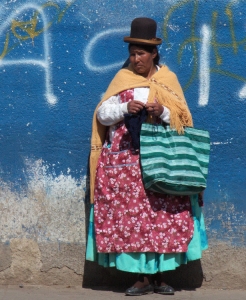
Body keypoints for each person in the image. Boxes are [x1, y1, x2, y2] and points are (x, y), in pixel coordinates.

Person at [86, 17, 208, 296]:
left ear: (154, 53)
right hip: (126, 166)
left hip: (161, 163)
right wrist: (125, 108)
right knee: (135, 221)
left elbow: (184, 119)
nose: (135, 58)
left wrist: (161, 112)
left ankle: (161, 277)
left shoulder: (168, 80)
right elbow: (102, 114)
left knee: (162, 216)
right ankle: (141, 277)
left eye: (141, 53)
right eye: (132, 53)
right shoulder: (122, 79)